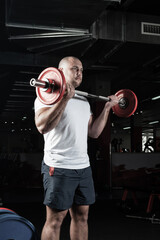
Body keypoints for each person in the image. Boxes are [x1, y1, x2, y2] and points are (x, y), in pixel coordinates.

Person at [34, 56, 119, 240]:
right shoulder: (46, 96)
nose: (79, 72)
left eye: (81, 69)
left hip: (83, 167)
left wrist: (107, 108)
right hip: (58, 167)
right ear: (61, 71)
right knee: (55, 220)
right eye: (74, 68)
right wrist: (64, 99)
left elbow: (94, 133)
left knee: (82, 218)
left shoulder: (83, 101)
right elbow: (42, 127)